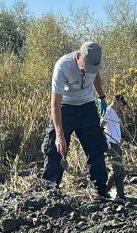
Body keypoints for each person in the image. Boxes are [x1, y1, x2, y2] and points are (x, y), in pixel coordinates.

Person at [42, 41, 110, 198]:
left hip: (87, 107)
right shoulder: (62, 67)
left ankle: (100, 189)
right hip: (65, 108)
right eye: (85, 67)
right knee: (54, 147)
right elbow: (55, 104)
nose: (88, 71)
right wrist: (60, 136)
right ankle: (51, 190)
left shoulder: (93, 63)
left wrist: (102, 97)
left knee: (97, 147)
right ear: (79, 56)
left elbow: (96, 76)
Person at [100, 94, 129, 201]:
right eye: (122, 104)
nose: (122, 106)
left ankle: (120, 195)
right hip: (111, 144)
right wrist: (105, 142)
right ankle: (103, 192)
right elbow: (101, 126)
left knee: (120, 170)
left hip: (116, 143)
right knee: (116, 170)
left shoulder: (114, 114)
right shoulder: (108, 111)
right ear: (117, 101)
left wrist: (122, 141)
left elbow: (114, 130)